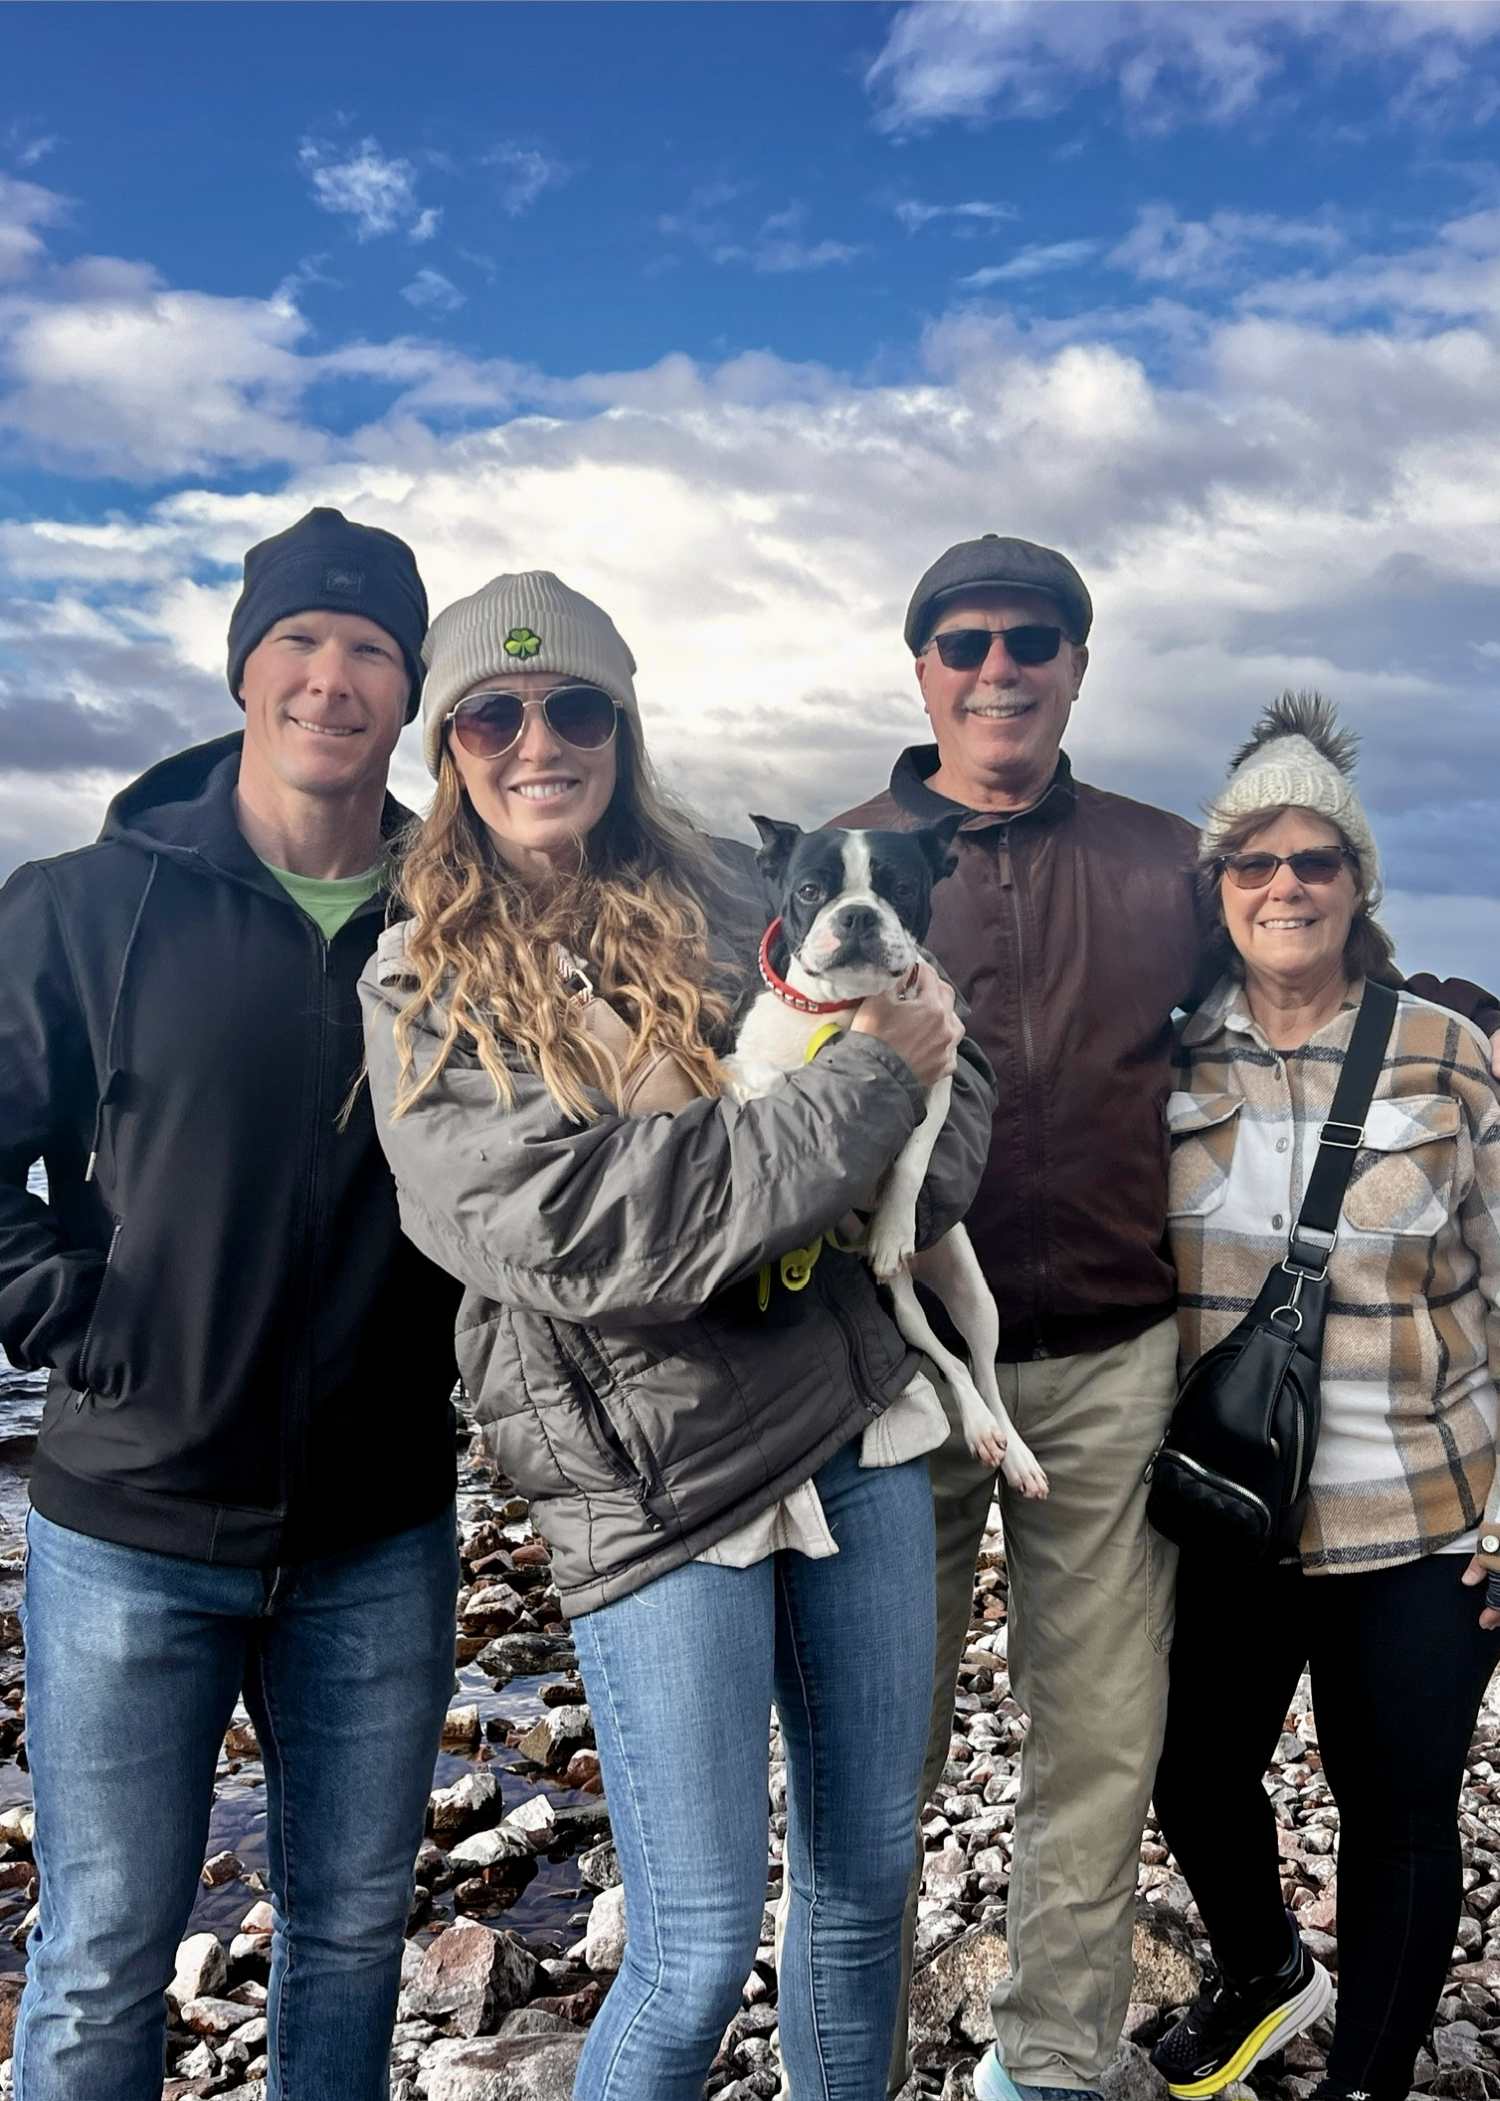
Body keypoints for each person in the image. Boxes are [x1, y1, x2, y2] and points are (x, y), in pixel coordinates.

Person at [828, 535, 1500, 2101]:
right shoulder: (834, 857)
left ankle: (1051, 2061)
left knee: (1100, 1744)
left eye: (1036, 638)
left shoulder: (1155, 865)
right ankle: (838, 2053)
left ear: (1077, 661)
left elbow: (1317, 1015)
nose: (1002, 667)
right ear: (921, 663)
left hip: (1133, 1379)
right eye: (969, 640)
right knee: (878, 1752)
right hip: (902, 1371)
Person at [358, 570, 997, 2101]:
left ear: (624, 727)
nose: (538, 740)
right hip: (650, 1492)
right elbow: (582, 1231)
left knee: (862, 1892)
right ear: (446, 747)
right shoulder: (416, 980)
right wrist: (858, 1103)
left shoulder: (737, 893)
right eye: (493, 714)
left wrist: (875, 1113)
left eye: (577, 706)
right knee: (699, 1944)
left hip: (850, 1429)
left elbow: (953, 1115)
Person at [0, 508, 464, 2101]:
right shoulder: (84, 901)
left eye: (372, 652)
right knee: (103, 1950)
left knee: (348, 1937)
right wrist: (78, 1313)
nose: (332, 679)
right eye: (303, 642)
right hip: (129, 1520)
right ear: (246, 666)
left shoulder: (461, 918)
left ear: (408, 695)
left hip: (379, 1528)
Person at [1149, 693, 1500, 2101]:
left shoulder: (1450, 1053)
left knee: (1401, 1816)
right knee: (1186, 1770)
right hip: (1234, 1512)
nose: (1284, 885)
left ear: (1359, 883)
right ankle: (1266, 1967)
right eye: (1254, 861)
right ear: (1219, 886)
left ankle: (1365, 2086)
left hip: (1421, 1511)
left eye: (1316, 861)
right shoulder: (1165, 1052)